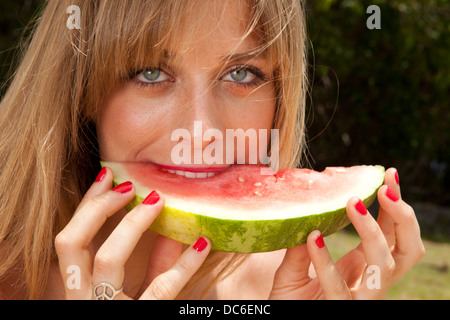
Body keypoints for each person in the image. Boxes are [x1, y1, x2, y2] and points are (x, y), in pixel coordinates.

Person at [0, 0, 424, 300]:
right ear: (80, 90)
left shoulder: (288, 285)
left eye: (241, 73)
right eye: (151, 73)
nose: (202, 132)